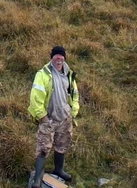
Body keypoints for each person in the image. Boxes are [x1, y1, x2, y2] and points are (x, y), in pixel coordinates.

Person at [28, 46, 80, 187]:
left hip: (65, 119)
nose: (59, 58)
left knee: (62, 145)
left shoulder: (69, 74)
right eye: (56, 55)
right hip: (49, 119)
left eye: (61, 55)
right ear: (52, 57)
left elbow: (75, 95)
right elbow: (35, 98)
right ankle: (38, 178)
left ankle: (58, 170)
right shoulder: (43, 74)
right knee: (43, 148)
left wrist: (72, 112)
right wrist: (43, 117)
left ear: (64, 58)